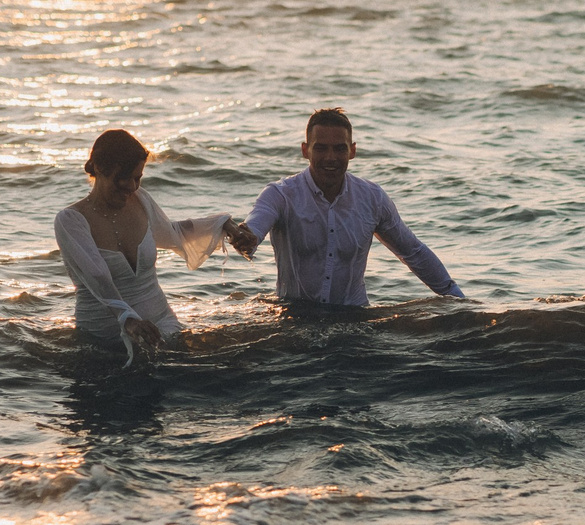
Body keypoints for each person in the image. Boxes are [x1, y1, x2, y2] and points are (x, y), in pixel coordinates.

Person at [227, 109, 464, 306]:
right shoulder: (280, 195)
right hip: (295, 316)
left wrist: (460, 302)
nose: (330, 157)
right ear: (305, 150)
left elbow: (414, 252)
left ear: (352, 151)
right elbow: (255, 227)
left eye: (339, 148)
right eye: (321, 148)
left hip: (355, 318)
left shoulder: (372, 198)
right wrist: (246, 237)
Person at [53, 129, 237, 365]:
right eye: (124, 178)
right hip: (102, 338)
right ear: (99, 168)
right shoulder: (70, 220)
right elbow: (97, 277)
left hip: (163, 326)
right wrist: (128, 319)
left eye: (138, 178)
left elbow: (173, 233)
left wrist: (223, 224)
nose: (132, 186)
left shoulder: (141, 200)